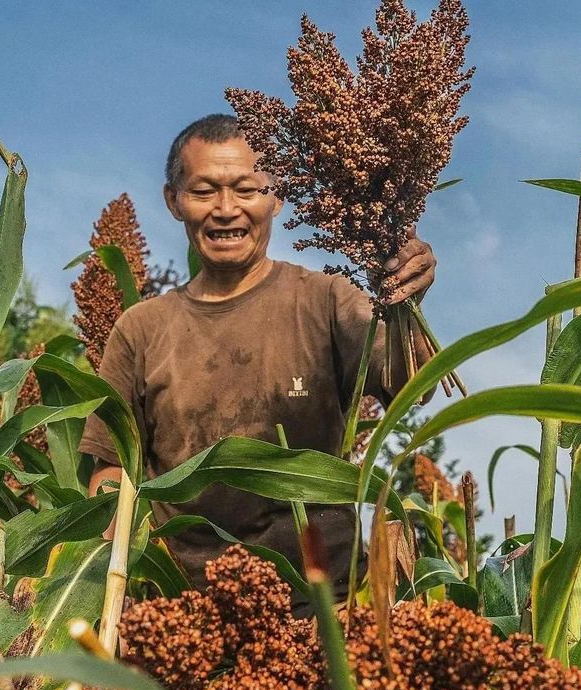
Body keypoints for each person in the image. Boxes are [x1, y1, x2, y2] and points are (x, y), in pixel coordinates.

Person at [79, 114, 437, 614]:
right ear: (174, 201)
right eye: (204, 191)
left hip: (321, 607)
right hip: (187, 612)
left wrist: (405, 303)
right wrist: (116, 573)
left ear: (276, 196)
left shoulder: (327, 300)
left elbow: (412, 386)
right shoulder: (141, 329)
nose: (227, 210)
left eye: (247, 189)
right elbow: (111, 468)